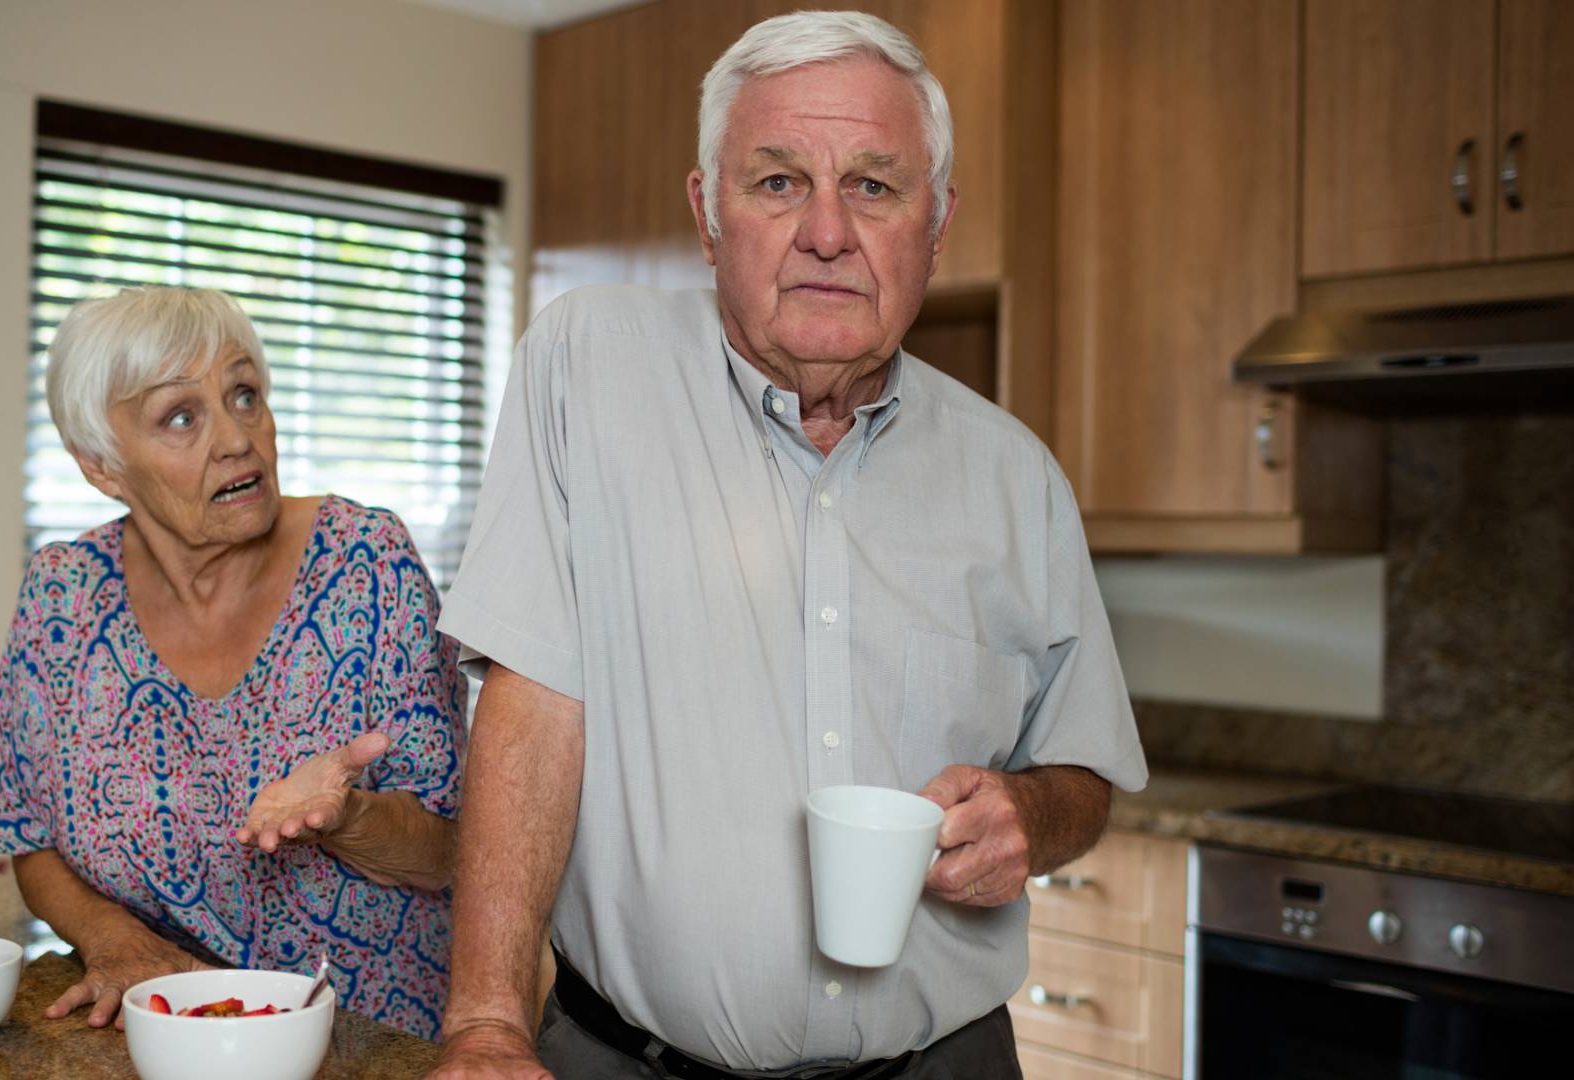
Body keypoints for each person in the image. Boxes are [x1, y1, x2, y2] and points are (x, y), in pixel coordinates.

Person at [428, 11, 1147, 1079]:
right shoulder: (588, 369)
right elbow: (533, 705)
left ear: (936, 219)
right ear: (707, 210)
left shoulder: (1017, 476)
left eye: (872, 184)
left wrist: (1030, 819)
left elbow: (1083, 772)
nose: (825, 232)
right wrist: (484, 1022)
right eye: (776, 183)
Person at [0, 286, 466, 1040]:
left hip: (366, 1044)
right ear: (102, 466)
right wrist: (116, 941)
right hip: (158, 1033)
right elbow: (28, 835)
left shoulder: (367, 562)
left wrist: (348, 817)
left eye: (244, 395)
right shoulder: (62, 596)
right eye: (181, 416)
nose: (238, 437)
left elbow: (447, 853)